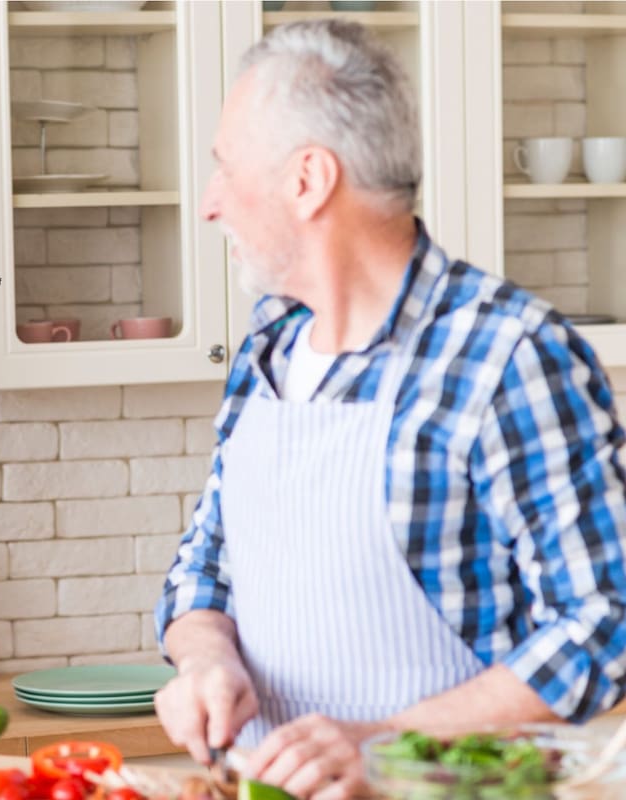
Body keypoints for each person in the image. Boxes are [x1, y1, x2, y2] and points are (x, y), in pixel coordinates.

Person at [154, 19, 626, 800]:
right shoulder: (270, 345)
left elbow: (604, 624)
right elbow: (205, 568)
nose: (209, 204)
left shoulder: (503, 353)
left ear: (308, 180)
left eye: (225, 169)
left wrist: (386, 745)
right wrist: (207, 659)